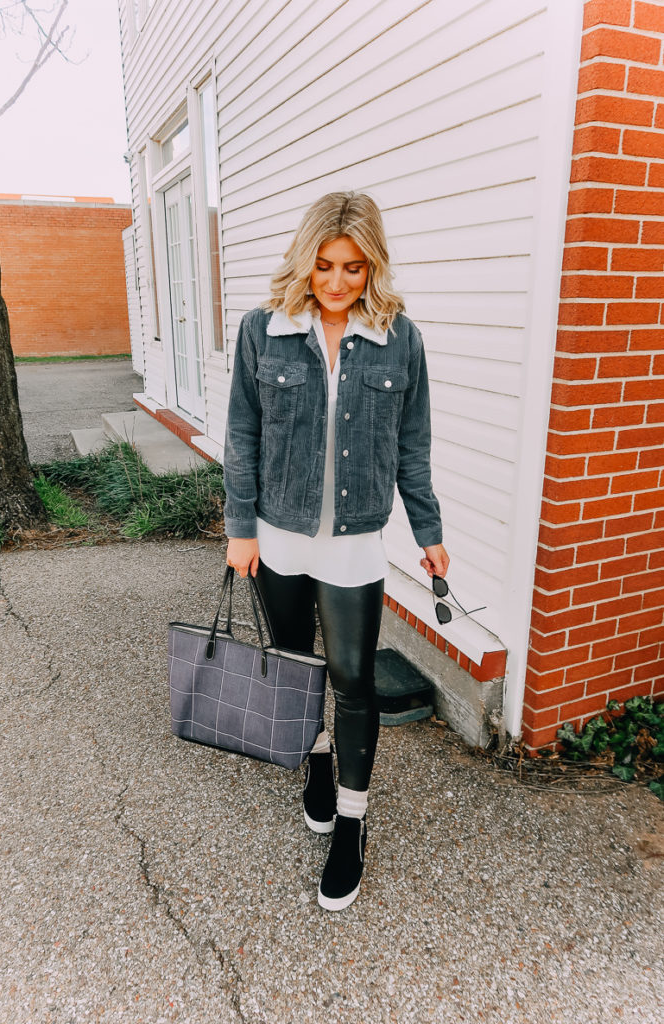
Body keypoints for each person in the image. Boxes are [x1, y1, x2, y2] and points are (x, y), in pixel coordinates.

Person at [223, 191, 449, 911]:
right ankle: (316, 763)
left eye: (353, 267)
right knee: (296, 665)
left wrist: (429, 533)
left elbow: (411, 447)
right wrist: (240, 529)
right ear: (304, 260)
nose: (337, 280)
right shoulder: (264, 331)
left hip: (354, 540)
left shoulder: (397, 337)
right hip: (279, 533)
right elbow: (242, 437)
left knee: (352, 677)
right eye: (324, 265)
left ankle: (350, 823)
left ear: (371, 266)